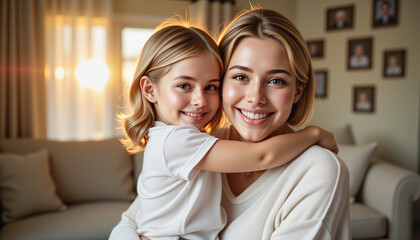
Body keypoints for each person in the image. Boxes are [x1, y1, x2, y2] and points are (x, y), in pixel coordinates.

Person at [110, 8, 350, 240]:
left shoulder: (319, 169)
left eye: (276, 80)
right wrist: (313, 133)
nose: (256, 97)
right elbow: (130, 222)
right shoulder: (201, 146)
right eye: (240, 77)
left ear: (297, 92)